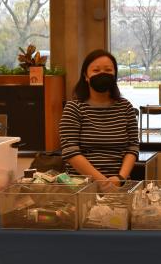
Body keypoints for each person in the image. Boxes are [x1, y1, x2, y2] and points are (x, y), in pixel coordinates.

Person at [59, 49, 138, 183]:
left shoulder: (126, 107)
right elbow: (70, 151)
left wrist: (120, 178)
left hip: (119, 183)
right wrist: (103, 182)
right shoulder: (74, 108)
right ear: (86, 76)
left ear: (115, 75)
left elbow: (133, 147)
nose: (103, 74)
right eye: (96, 70)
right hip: (82, 184)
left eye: (108, 70)